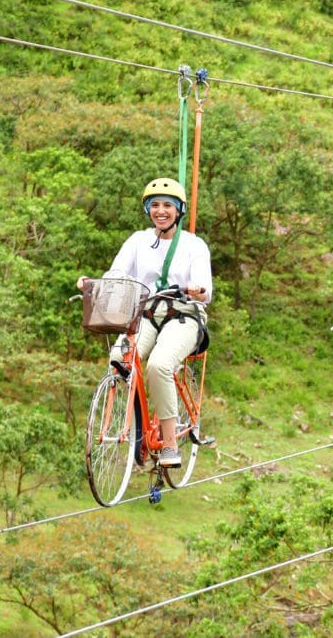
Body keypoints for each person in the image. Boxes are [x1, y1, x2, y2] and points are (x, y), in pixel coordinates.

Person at [77, 178, 212, 467]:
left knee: (159, 365)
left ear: (178, 210)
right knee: (120, 358)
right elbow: (117, 272)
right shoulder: (138, 241)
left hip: (183, 314)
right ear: (147, 209)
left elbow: (205, 290)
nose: (161, 211)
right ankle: (140, 422)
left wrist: (196, 290)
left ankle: (170, 445)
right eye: (155, 205)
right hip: (147, 313)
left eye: (167, 205)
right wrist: (93, 283)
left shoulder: (193, 245)